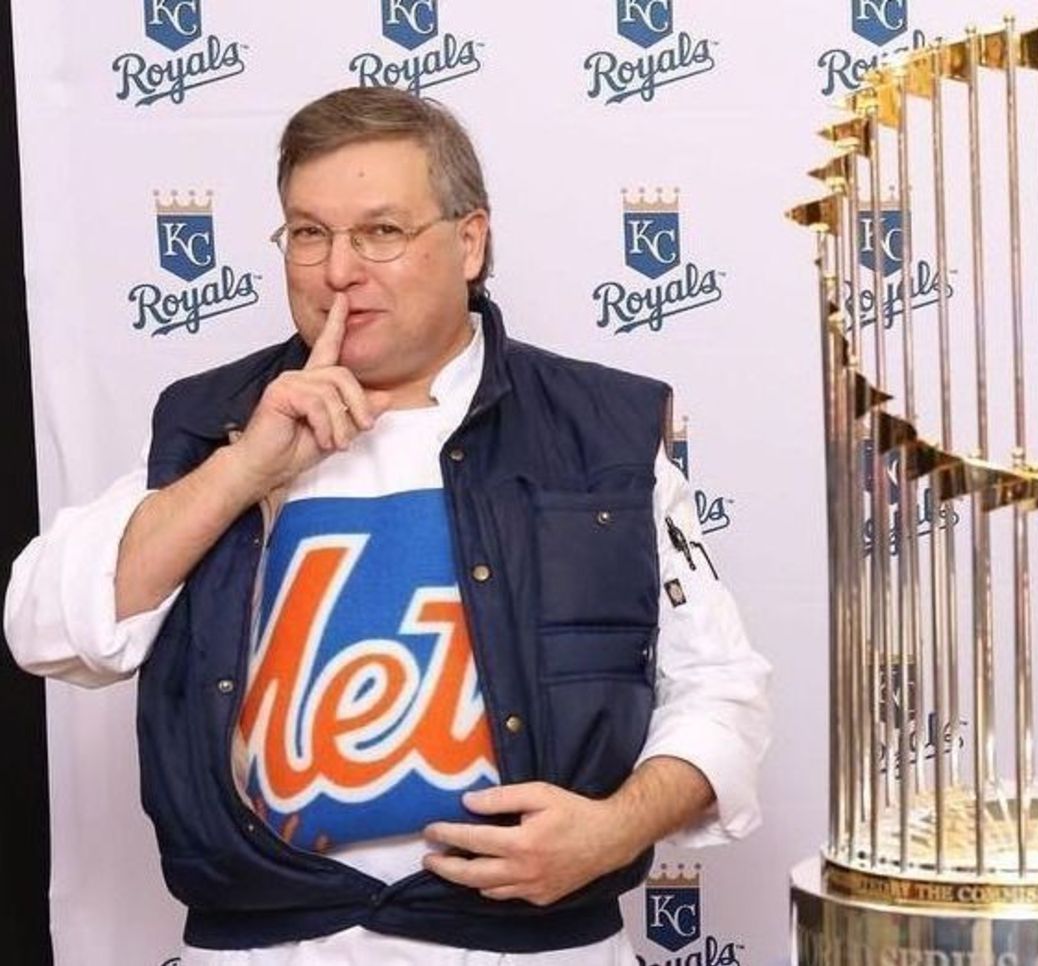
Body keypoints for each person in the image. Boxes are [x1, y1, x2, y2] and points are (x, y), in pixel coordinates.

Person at [3, 87, 769, 964]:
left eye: (381, 232)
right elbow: (47, 632)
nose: (338, 271)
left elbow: (722, 690)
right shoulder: (215, 423)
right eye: (309, 233)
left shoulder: (598, 430)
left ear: (469, 241)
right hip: (268, 946)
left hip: (523, 949)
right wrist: (241, 471)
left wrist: (610, 832)